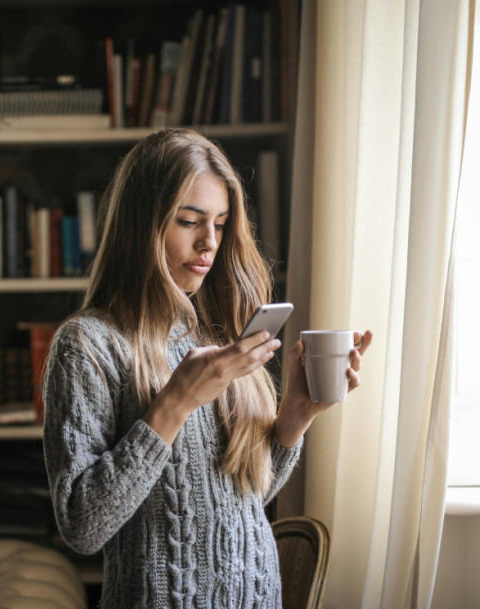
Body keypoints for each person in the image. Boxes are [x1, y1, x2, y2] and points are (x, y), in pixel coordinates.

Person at [42, 128, 372, 609]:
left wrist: (292, 421)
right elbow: (84, 525)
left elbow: (241, 500)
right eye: (189, 220)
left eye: (219, 224)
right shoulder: (87, 345)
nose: (209, 243)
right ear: (142, 226)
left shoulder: (213, 334)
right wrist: (174, 404)